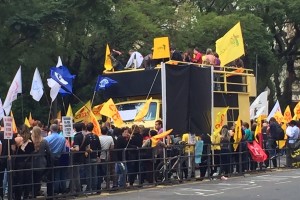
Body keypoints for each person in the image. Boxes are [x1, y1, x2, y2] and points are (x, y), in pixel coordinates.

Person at [13, 125, 35, 200]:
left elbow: (13, 150)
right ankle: (25, 196)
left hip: (19, 163)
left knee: (18, 182)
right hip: (28, 163)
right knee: (27, 182)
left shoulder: (17, 139)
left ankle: (17, 197)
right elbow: (33, 151)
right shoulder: (31, 141)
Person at [45, 124, 67, 197]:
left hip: (49, 158)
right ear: (58, 129)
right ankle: (60, 190)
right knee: (58, 174)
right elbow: (64, 150)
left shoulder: (47, 138)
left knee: (51, 176)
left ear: (51, 129)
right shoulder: (63, 138)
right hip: (58, 157)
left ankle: (54, 190)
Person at [31, 126, 52, 198]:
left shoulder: (31, 141)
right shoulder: (44, 141)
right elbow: (49, 151)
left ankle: (33, 193)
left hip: (32, 163)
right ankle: (37, 191)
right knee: (38, 179)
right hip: (42, 163)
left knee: (33, 179)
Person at [70, 122, 90, 194]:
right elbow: (88, 148)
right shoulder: (85, 136)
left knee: (76, 174)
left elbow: (77, 149)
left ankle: (78, 189)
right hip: (83, 157)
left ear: (75, 129)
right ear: (82, 128)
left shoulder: (76, 137)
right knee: (81, 173)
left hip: (76, 158)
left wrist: (71, 149)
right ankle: (81, 188)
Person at [0, 122, 16, 200]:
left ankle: (1, 194)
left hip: (1, 158)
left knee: (1, 177)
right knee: (9, 176)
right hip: (9, 158)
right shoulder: (10, 134)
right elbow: (13, 148)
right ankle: (8, 193)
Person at [85, 123, 101, 192]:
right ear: (93, 128)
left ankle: (89, 189)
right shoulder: (96, 136)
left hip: (87, 157)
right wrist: (98, 156)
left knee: (88, 174)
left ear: (86, 128)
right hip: (95, 156)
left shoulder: (85, 137)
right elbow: (99, 147)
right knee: (95, 174)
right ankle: (94, 188)